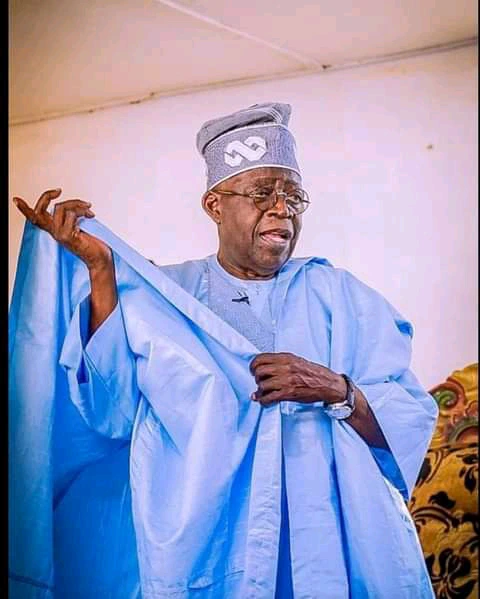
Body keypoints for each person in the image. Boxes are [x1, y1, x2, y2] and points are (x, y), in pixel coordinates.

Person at [11, 102, 438, 598]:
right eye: (262, 194)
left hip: (328, 547)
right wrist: (103, 271)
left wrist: (336, 388)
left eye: (294, 196)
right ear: (214, 205)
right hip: (209, 544)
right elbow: (112, 413)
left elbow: (409, 419)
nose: (282, 209)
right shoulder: (167, 297)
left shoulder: (342, 297)